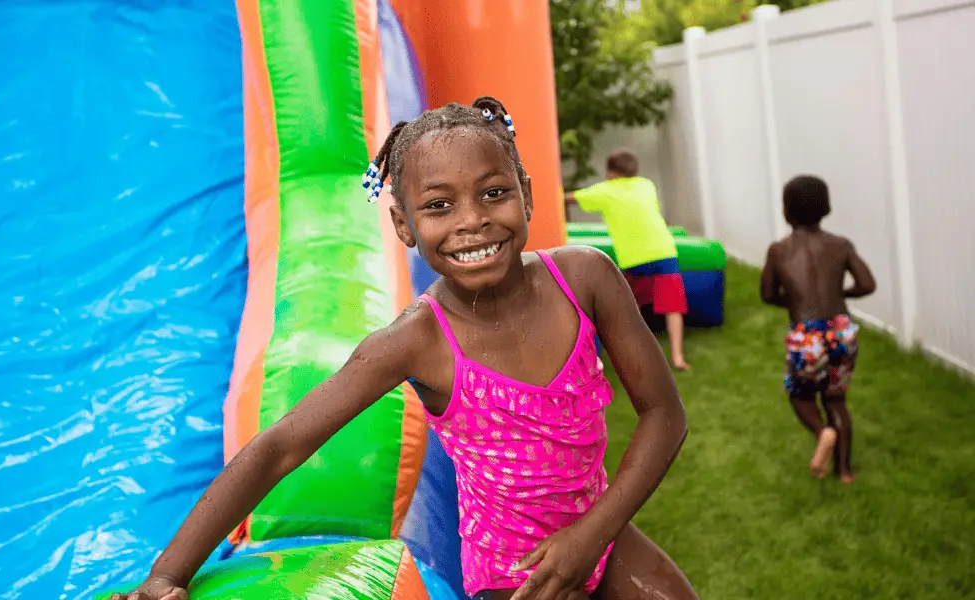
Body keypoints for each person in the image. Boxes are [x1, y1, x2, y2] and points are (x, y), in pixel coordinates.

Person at [110, 98, 699, 600]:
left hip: (603, 532)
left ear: (526, 193)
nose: (471, 222)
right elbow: (281, 446)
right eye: (439, 206)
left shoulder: (586, 278)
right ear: (403, 225)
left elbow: (664, 414)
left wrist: (592, 534)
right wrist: (165, 574)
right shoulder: (415, 340)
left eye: (493, 193)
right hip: (513, 575)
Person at [760, 175, 876, 484]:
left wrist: (795, 302)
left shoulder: (779, 250)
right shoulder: (840, 245)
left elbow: (767, 294)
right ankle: (845, 471)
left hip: (806, 335)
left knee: (801, 396)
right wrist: (840, 296)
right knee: (836, 399)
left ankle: (822, 431)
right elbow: (867, 284)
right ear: (826, 207)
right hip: (841, 330)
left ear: (786, 211)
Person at [564, 150, 691, 371]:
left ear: (611, 173)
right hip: (664, 251)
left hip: (635, 259)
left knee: (631, 309)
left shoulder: (605, 191)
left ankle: (638, 358)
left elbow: (569, 198)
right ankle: (678, 358)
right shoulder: (646, 185)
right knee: (673, 308)